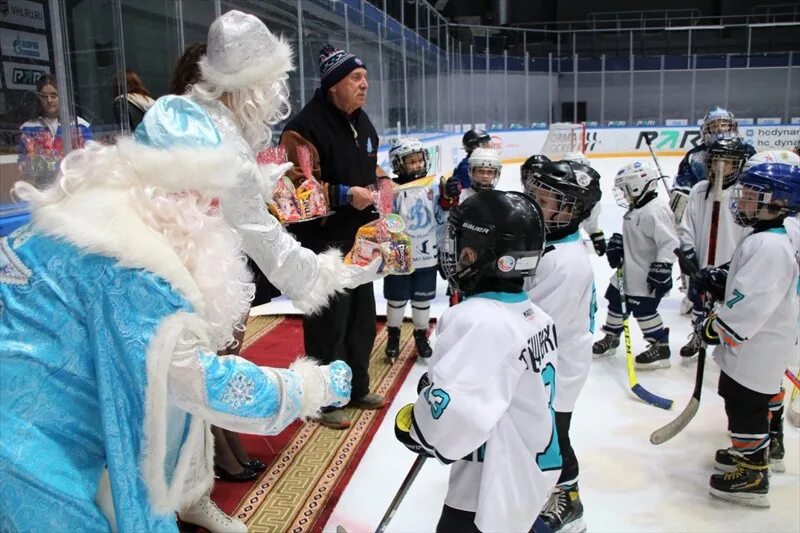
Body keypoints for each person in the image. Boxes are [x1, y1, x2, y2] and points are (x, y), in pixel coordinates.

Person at [0, 95, 352, 532]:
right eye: (209, 204)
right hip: (31, 461)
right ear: (179, 195)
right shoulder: (134, 270)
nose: (213, 217)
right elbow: (197, 380)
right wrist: (309, 385)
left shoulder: (74, 221)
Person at [393, 190, 560, 533]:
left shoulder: (479, 320)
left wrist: (419, 423)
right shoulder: (537, 317)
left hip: (487, 490)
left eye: (461, 244)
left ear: (477, 253)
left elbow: (450, 422)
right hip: (526, 473)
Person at [279, 42, 390, 428]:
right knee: (330, 322)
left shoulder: (361, 120)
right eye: (356, 78)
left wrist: (381, 179)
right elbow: (295, 192)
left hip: (361, 238)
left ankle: (356, 387)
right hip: (323, 243)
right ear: (333, 85)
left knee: (361, 318)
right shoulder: (303, 128)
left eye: (365, 77)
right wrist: (344, 194)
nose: (365, 84)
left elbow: (368, 164)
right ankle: (325, 400)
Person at [695, 162, 800, 507]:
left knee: (744, 402)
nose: (743, 201)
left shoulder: (770, 246)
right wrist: (725, 280)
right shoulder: (776, 235)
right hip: (766, 339)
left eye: (753, 196)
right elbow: (751, 284)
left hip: (757, 342)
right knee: (751, 398)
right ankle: (753, 451)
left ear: (778, 202)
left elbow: (752, 301)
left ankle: (753, 472)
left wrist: (717, 326)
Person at [522, 158, 601, 532]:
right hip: (548, 363)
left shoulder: (567, 263)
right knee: (540, 432)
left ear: (573, 210)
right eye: (535, 193)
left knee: (554, 435)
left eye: (548, 198)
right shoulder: (553, 243)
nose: (536, 202)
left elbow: (531, 321)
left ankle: (568, 501)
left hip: (559, 367)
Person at [593, 161, 678, 369]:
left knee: (644, 312)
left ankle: (660, 345)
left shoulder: (655, 211)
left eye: (626, 189)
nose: (624, 194)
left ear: (638, 185)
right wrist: (620, 245)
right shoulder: (638, 208)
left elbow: (669, 242)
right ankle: (611, 337)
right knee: (615, 302)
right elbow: (639, 238)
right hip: (628, 271)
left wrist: (663, 267)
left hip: (645, 276)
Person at [383, 138, 460, 361]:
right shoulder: (392, 189)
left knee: (422, 300)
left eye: (419, 160)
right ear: (398, 164)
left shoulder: (433, 186)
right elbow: (385, 221)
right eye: (411, 161)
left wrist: (448, 198)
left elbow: (441, 215)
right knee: (396, 300)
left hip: (427, 255)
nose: (417, 165)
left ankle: (420, 335)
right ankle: (393, 336)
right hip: (399, 255)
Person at [677, 138, 750, 359]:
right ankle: (698, 335)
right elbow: (686, 225)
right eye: (715, 160)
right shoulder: (699, 190)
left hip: (729, 261)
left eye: (726, 161)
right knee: (699, 301)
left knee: (727, 306)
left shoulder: (743, 193)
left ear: (737, 164)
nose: (719, 166)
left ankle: (726, 344)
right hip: (702, 259)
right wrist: (688, 251)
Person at [669, 107, 755, 223]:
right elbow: (684, 186)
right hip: (704, 207)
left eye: (724, 125)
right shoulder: (694, 156)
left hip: (736, 208)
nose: (720, 129)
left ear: (732, 127)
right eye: (714, 126)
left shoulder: (746, 151)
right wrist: (678, 209)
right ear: (707, 130)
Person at [17, 74, 93, 187]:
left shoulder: (80, 125)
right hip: (42, 188)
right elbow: (23, 163)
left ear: (63, 96)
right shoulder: (28, 128)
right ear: (38, 97)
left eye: (54, 95)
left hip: (74, 186)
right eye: (44, 96)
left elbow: (89, 159)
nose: (49, 100)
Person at [563, 151, 606, 256]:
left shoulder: (591, 193)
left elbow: (590, 218)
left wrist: (595, 233)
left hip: (572, 240)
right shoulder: (556, 190)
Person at [452, 128, 491, 192]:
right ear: (473, 146)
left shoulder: (477, 162)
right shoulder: (466, 167)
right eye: (484, 144)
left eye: (487, 143)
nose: (488, 147)